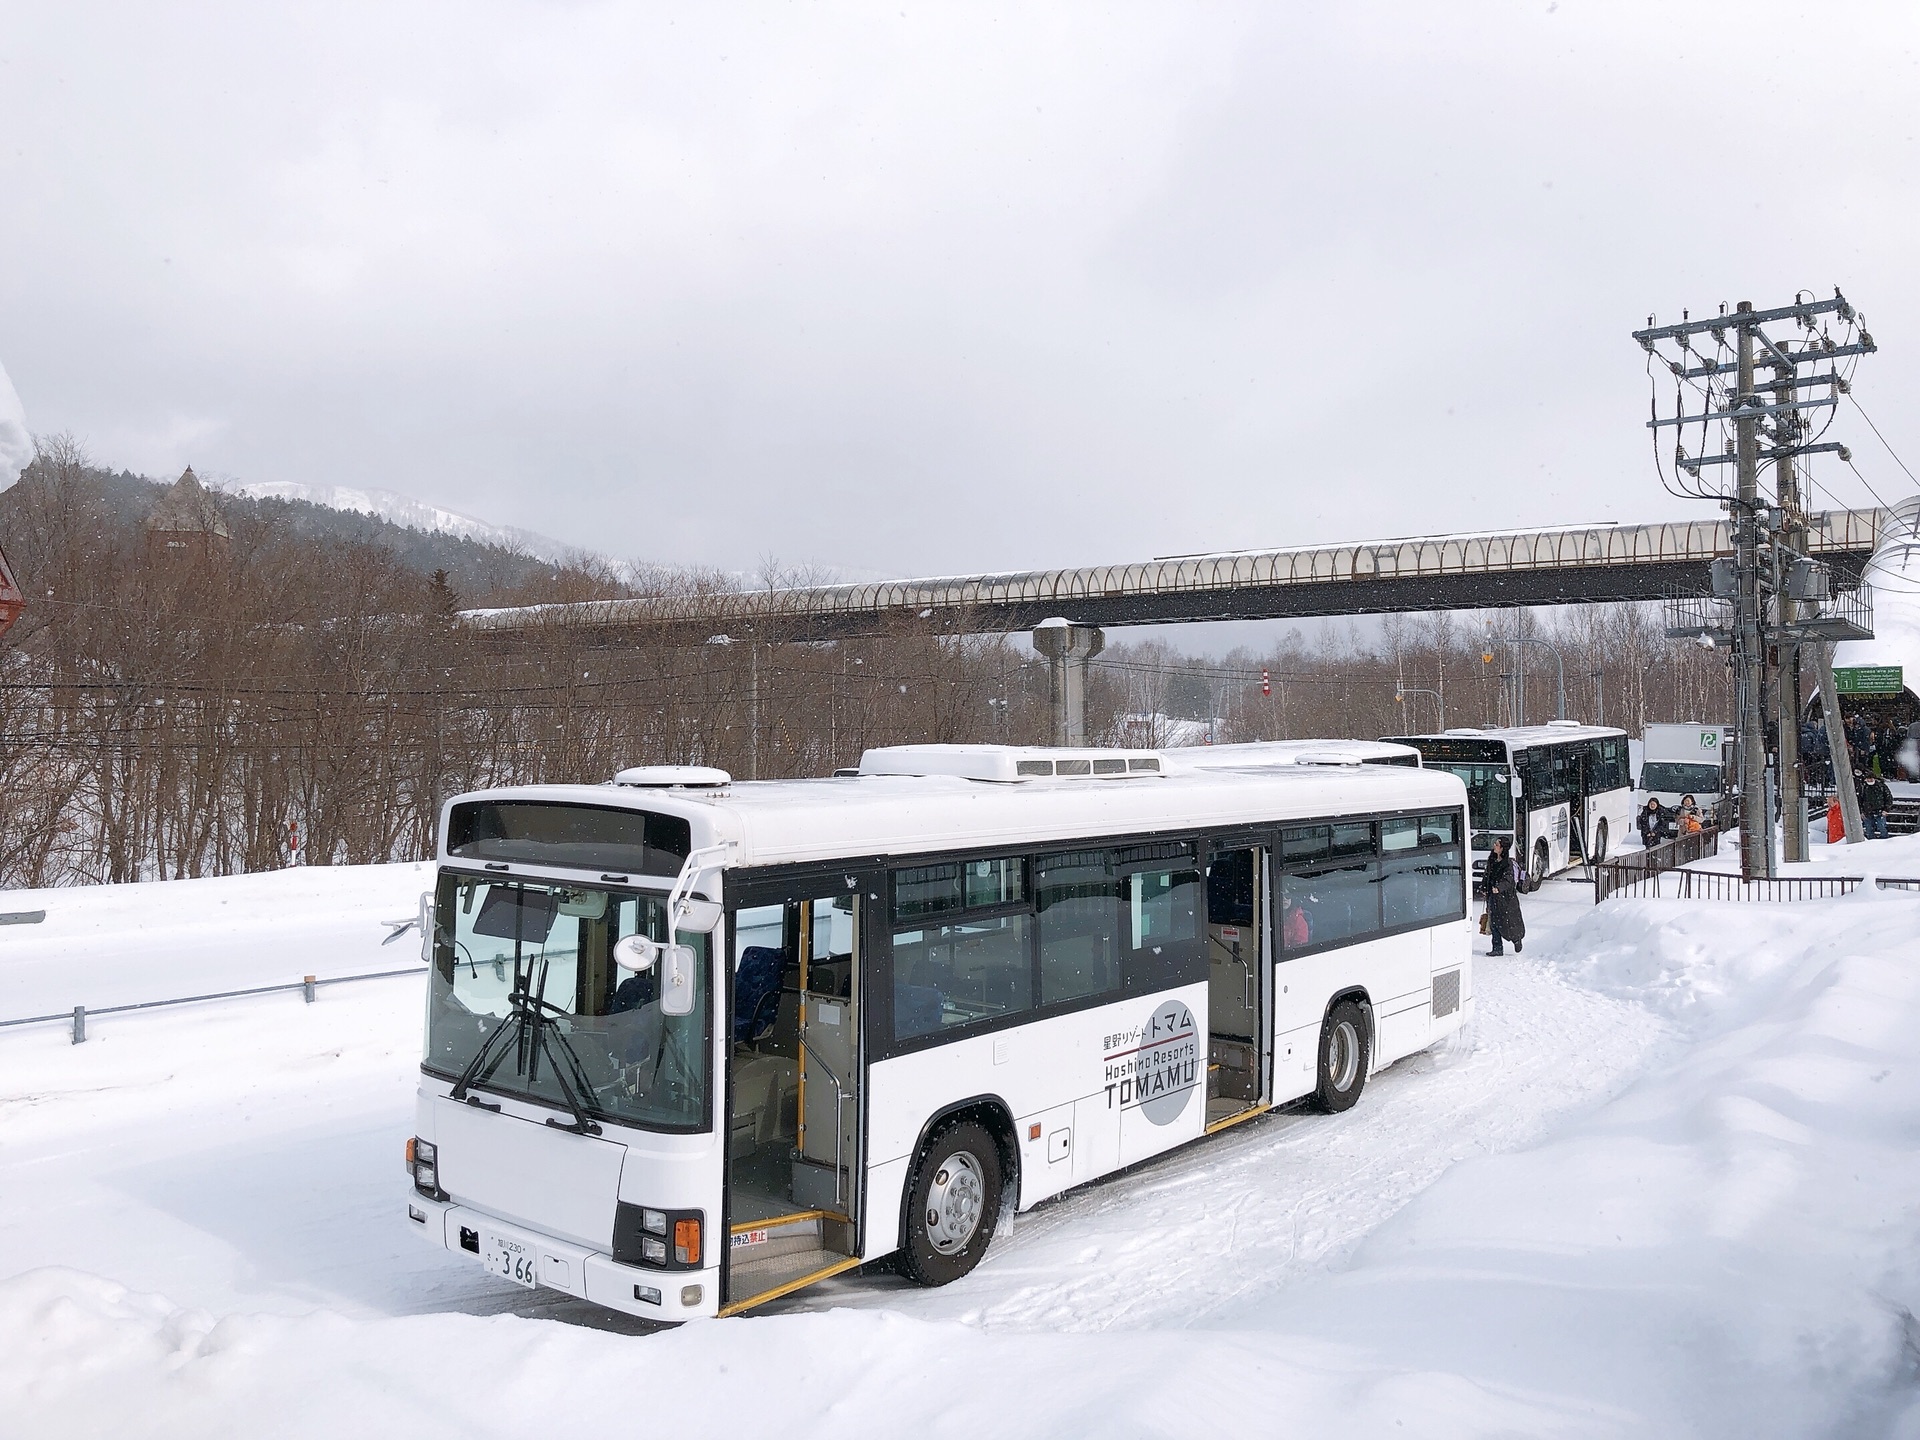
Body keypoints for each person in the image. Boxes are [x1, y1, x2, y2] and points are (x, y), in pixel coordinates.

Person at [1484, 836, 1525, 957]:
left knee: (1509, 922)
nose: (1494, 846)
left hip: (1506, 898)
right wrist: (1484, 888)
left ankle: (1516, 939)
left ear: (1502, 848)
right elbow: (1487, 875)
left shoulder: (1508, 863)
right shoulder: (1491, 859)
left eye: (1497, 844)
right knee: (1494, 922)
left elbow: (1509, 880)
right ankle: (1497, 948)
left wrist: (1499, 888)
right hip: (1493, 896)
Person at [1859, 767, 1892, 840]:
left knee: (1882, 828)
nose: (1869, 780)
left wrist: (1886, 809)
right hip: (1867, 812)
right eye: (1868, 779)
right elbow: (1860, 800)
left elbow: (1888, 798)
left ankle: (1885, 842)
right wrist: (1861, 811)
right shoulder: (1863, 787)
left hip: (1880, 811)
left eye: (1871, 779)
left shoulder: (1881, 786)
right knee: (1869, 829)